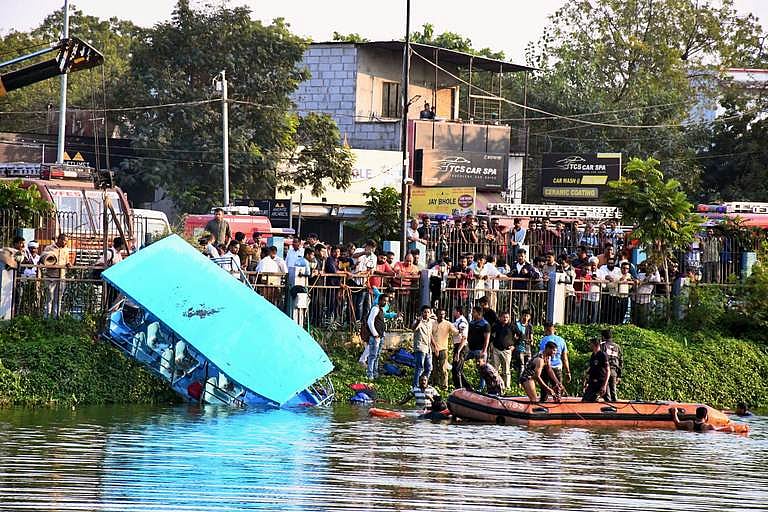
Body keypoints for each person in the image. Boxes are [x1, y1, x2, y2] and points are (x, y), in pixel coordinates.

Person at [538, 323, 570, 402]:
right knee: (557, 387)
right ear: (554, 330)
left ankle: (543, 402)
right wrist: (568, 371)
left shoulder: (544, 340)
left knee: (544, 387)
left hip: (546, 366)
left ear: (546, 330)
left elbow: (543, 354)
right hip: (557, 366)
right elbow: (565, 357)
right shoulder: (562, 340)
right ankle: (557, 402)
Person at [41, 233, 71, 318]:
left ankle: (56, 317)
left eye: (66, 241)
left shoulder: (66, 250)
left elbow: (66, 261)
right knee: (49, 297)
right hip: (51, 276)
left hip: (61, 277)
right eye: (65, 240)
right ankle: (46, 317)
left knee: (58, 299)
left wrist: (68, 264)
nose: (65, 243)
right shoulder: (49, 248)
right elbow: (42, 259)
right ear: (60, 239)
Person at [431, 308, 458, 389]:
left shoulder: (448, 324)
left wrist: (460, 331)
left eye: (443, 314)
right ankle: (435, 384)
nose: (442, 316)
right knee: (434, 368)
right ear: (437, 314)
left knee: (443, 368)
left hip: (443, 349)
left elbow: (455, 332)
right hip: (433, 349)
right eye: (440, 314)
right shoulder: (432, 323)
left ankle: (444, 386)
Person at [466, 305, 491, 390]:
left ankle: (481, 387)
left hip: (480, 350)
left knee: (482, 369)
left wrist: (484, 351)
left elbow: (487, 339)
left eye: (474, 312)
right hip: (470, 349)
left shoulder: (485, 324)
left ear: (479, 313)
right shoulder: (472, 323)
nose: (472, 313)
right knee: (460, 361)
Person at [366, 294, 390, 379]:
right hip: (375, 337)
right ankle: (370, 374)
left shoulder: (381, 310)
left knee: (377, 356)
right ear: (380, 300)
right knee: (372, 356)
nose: (385, 302)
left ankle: (375, 373)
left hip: (380, 336)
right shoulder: (375, 309)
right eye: (384, 300)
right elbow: (370, 321)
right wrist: (375, 334)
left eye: (387, 301)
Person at [411, 305, 435, 387]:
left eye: (428, 312)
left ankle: (424, 383)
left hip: (428, 348)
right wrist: (418, 321)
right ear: (422, 313)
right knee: (419, 368)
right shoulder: (418, 321)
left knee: (429, 368)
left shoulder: (430, 322)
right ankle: (416, 385)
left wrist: (434, 345)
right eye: (425, 312)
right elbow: (413, 328)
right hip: (420, 347)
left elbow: (430, 334)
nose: (426, 314)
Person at [491, 311, 516, 390]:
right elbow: (490, 334)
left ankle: (506, 388)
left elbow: (521, 335)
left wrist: (514, 345)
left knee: (506, 370)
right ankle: (495, 386)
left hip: (506, 351)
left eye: (507, 317)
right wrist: (491, 344)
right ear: (500, 317)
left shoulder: (512, 326)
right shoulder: (496, 325)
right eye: (504, 317)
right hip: (496, 349)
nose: (505, 319)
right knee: (494, 369)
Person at [582, 338, 610, 402]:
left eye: (590, 344)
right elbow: (592, 369)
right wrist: (586, 382)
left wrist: (604, 385)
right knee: (586, 400)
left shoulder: (603, 355)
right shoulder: (593, 355)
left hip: (601, 381)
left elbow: (608, 371)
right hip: (593, 382)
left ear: (595, 344)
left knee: (609, 400)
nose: (589, 345)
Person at [600, 329, 623, 401]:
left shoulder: (603, 345)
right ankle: (615, 407)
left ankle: (609, 410)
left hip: (605, 371)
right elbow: (621, 361)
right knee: (613, 391)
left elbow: (600, 358)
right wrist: (619, 375)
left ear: (603, 337)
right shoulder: (617, 347)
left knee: (606, 393)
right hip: (614, 371)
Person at [451, 306, 470, 389]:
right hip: (457, 346)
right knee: (457, 369)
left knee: (457, 369)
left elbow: (464, 338)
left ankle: (460, 388)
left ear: (458, 312)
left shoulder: (462, 322)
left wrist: (458, 351)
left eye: (454, 311)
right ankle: (467, 387)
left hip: (461, 347)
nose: (453, 312)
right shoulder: (457, 321)